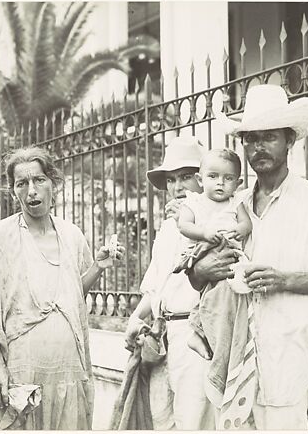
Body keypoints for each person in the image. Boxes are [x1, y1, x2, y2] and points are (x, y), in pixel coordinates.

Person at [189, 84, 308, 430]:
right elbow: (198, 278)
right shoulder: (232, 208)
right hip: (233, 365)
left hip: (285, 367)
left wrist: (285, 279)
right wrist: (202, 270)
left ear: (289, 141)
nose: (258, 147)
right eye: (251, 139)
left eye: (269, 137)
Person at [0, 146, 124, 430]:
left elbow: (72, 298)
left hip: (68, 368)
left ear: (53, 183)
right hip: (22, 368)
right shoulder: (1, 236)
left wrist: (98, 267)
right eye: (21, 183)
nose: (31, 191)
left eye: (39, 180)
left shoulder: (72, 235)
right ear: (13, 191)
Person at [124, 135, 215, 430]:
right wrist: (135, 319)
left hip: (195, 334)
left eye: (187, 177)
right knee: (162, 420)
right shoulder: (166, 229)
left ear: (203, 179)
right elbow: (156, 287)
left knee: (193, 421)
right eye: (173, 179)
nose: (178, 187)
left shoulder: (213, 224)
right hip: (162, 336)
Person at [173, 148, 252, 359]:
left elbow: (246, 223)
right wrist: (204, 233)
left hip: (228, 251)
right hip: (203, 250)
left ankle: (205, 334)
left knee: (221, 297)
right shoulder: (194, 202)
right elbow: (184, 226)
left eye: (228, 178)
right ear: (200, 179)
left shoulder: (236, 202)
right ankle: (197, 333)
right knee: (208, 293)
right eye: (213, 176)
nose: (220, 183)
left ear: (238, 183)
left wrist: (240, 229)